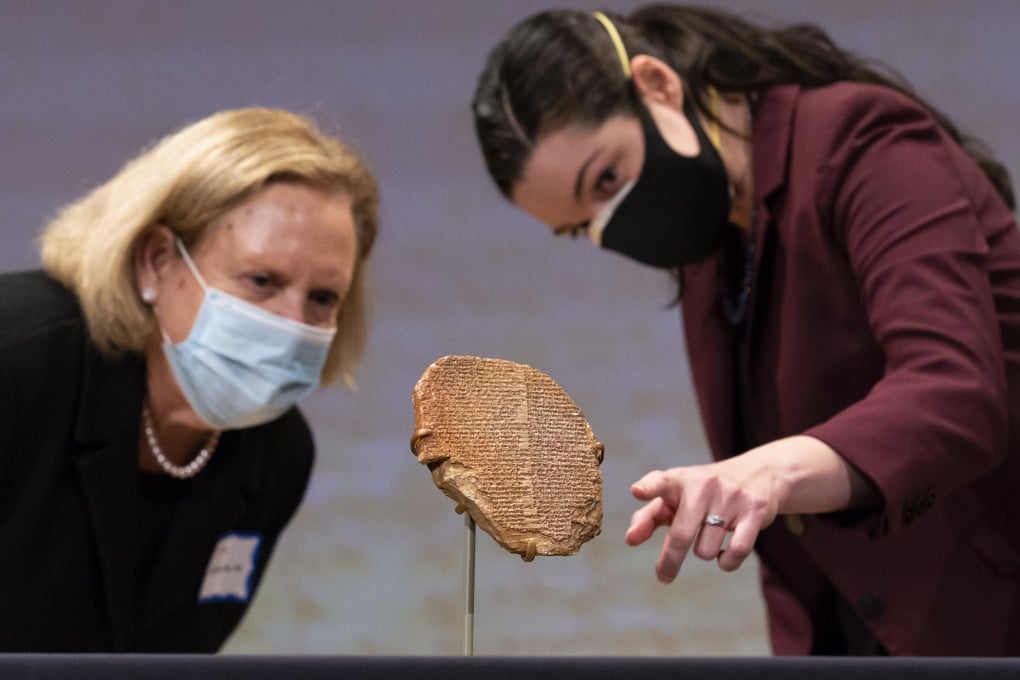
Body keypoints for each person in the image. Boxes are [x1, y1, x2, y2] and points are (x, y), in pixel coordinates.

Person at [471, 5, 1020, 656]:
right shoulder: (714, 239)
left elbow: (955, 391)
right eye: (579, 227)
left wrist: (771, 473)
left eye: (608, 180)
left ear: (657, 84)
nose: (609, 228)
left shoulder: (861, 139)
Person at [0, 107, 379, 652]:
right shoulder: (17, 365)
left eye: (322, 298)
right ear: (156, 261)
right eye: (262, 281)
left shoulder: (277, 455)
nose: (293, 324)